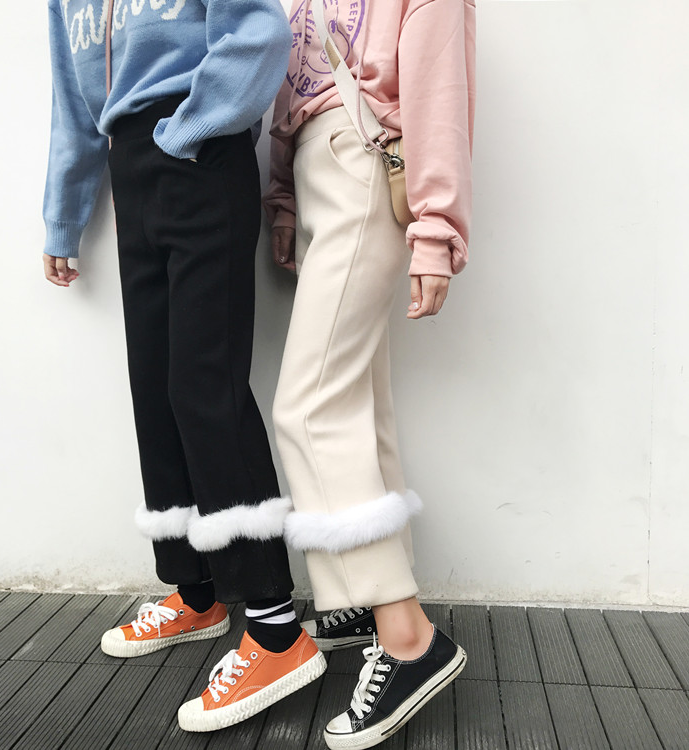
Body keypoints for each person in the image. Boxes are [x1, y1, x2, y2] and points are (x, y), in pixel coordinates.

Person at [42, 0, 326, 732]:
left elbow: (259, 34)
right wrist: (62, 216)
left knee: (205, 389)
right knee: (156, 390)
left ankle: (275, 629)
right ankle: (195, 592)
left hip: (199, 156)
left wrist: (189, 130)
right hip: (130, 171)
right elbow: (73, 102)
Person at [263, 0, 476, 747]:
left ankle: (409, 637)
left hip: (366, 164)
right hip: (319, 174)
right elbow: (294, 85)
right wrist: (284, 198)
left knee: (307, 407)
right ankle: (357, 596)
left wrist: (436, 229)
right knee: (355, 400)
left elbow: (439, 92)